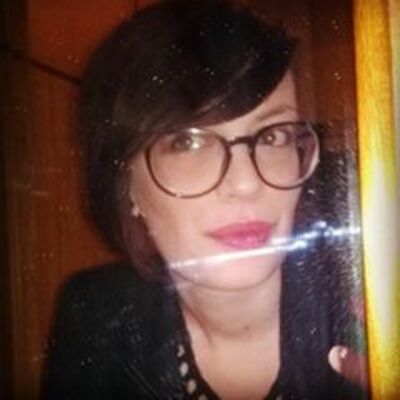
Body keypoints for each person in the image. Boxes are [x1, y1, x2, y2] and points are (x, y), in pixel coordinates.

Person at [42, 0, 367, 399]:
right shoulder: (97, 317)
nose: (246, 183)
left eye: (273, 135)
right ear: (125, 185)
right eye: (188, 143)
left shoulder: (370, 301)